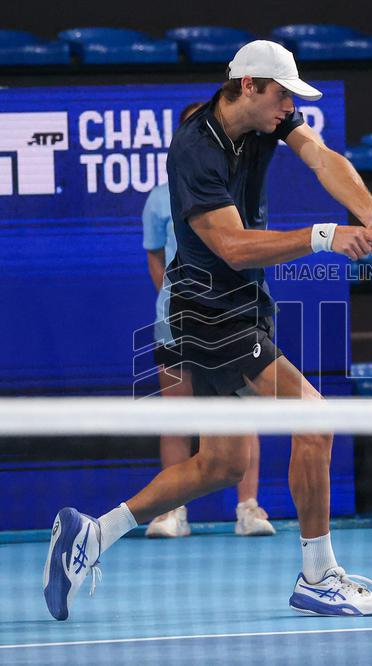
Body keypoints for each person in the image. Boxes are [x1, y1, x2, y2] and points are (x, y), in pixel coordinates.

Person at [44, 39, 372, 621]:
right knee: (314, 420)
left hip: (241, 305)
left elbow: (322, 158)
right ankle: (318, 576)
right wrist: (327, 235)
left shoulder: (270, 122)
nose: (289, 107)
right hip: (207, 310)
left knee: (220, 464)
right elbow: (234, 248)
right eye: (282, 95)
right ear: (249, 85)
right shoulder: (194, 150)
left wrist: (366, 213)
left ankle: (92, 534)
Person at [142, 101, 275, 539]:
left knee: (243, 415)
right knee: (178, 417)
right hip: (177, 318)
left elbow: (247, 247)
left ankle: (249, 508)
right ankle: (171, 512)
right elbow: (157, 259)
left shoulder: (241, 186)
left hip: (240, 316)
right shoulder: (159, 198)